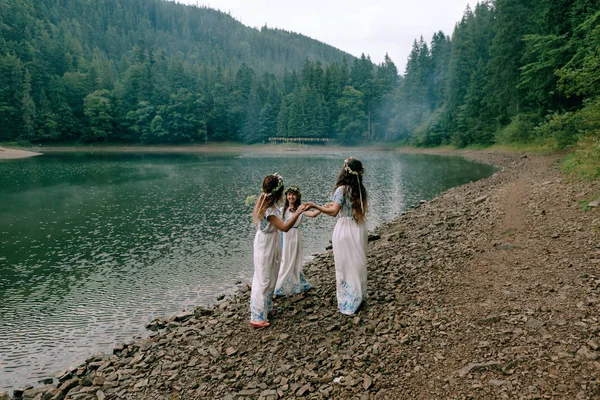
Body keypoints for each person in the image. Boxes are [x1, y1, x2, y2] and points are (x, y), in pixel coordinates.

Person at [307, 157, 368, 315]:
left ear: (344, 171)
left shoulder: (341, 189)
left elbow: (334, 212)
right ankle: (358, 295)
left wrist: (316, 206)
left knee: (344, 264)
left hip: (344, 229)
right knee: (357, 262)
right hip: (359, 227)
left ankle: (349, 300)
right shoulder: (361, 189)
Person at [250, 174, 308, 328]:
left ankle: (266, 308)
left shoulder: (273, 205)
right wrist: (297, 212)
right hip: (265, 243)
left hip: (272, 241)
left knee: (273, 273)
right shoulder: (269, 209)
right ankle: (256, 316)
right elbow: (284, 227)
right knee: (264, 277)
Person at [274, 186, 321, 297]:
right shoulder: (282, 210)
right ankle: (280, 285)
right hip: (286, 236)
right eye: (289, 194)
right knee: (286, 260)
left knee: (295, 259)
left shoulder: (301, 208)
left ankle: (296, 282)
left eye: (293, 194)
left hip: (296, 236)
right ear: (286, 196)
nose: (291, 197)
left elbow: (313, 214)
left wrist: (322, 208)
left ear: (298, 196)